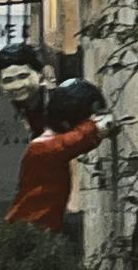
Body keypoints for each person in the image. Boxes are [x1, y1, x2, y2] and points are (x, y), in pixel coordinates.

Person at [6, 75, 103, 230]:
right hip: (32, 228)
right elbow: (75, 140)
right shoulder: (44, 149)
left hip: (34, 226)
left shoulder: (43, 144)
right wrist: (98, 125)